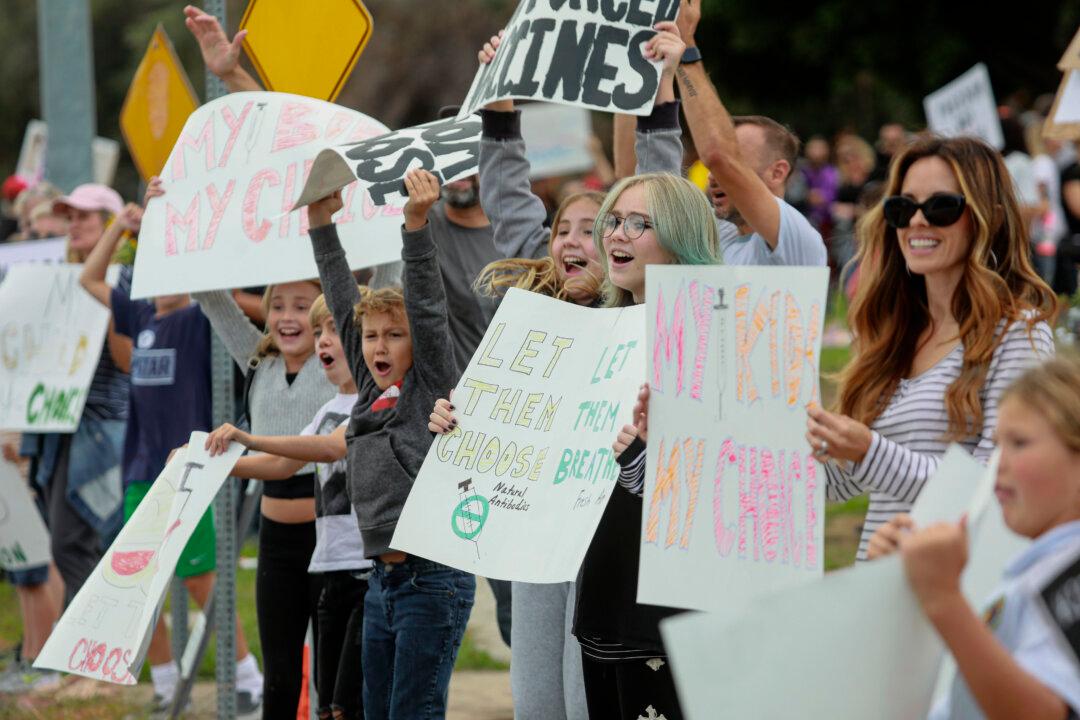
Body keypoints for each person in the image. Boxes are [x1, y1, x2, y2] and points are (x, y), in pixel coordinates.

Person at [182, 3, 514, 650]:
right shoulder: (419, 220)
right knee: (411, 600)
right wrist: (236, 79)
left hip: (492, 431)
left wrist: (503, 85)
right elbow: (318, 164)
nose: (462, 174)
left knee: (511, 592)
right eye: (450, 161)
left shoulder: (520, 234)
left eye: (472, 154)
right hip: (417, 425)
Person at [805, 134, 1057, 560]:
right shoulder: (893, 337)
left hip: (955, 603)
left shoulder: (1018, 336)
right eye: (902, 208)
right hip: (882, 592)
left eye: (941, 207)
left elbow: (993, 491)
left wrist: (869, 449)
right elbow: (838, 484)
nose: (917, 222)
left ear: (986, 217)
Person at [146, 175, 332, 718]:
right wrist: (170, 216)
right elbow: (208, 293)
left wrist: (215, 464)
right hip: (276, 540)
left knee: (330, 678)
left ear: (324, 317)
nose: (289, 317)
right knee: (279, 674)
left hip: (332, 538)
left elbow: (294, 455)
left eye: (304, 306)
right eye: (279, 306)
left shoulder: (336, 364)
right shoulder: (258, 360)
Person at [79, 201, 262, 716]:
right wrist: (120, 224)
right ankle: (164, 684)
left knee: (200, 577)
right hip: (142, 467)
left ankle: (249, 679)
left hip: (189, 469)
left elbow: (254, 308)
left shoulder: (198, 315)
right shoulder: (139, 312)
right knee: (143, 582)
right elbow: (89, 279)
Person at [305, 169, 469, 719]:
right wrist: (320, 222)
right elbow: (339, 292)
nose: (378, 345)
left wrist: (415, 224)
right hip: (384, 580)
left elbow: (426, 305)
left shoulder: (427, 386)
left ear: (414, 346)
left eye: (393, 335)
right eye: (371, 335)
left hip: (432, 581)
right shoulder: (366, 397)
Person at [867, 357, 1080, 719]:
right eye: (997, 446)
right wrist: (907, 583)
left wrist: (942, 597)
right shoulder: (1040, 569)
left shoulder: (1067, 580)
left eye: (1020, 443)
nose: (999, 464)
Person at [204, 293, 370, 720]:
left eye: (334, 329)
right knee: (297, 681)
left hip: (362, 568)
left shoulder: (374, 399)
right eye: (321, 333)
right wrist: (207, 466)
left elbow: (331, 448)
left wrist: (249, 439)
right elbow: (280, 464)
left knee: (342, 696)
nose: (324, 341)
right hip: (321, 558)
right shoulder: (323, 403)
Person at [18, 183, 132, 608]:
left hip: (102, 424)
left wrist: (102, 310)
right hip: (60, 420)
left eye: (84, 216)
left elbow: (126, 362)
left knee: (86, 542)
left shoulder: (127, 278)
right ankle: (81, 657)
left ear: (111, 223)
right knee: (67, 542)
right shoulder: (58, 280)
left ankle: (92, 653)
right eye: (69, 217)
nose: (74, 225)